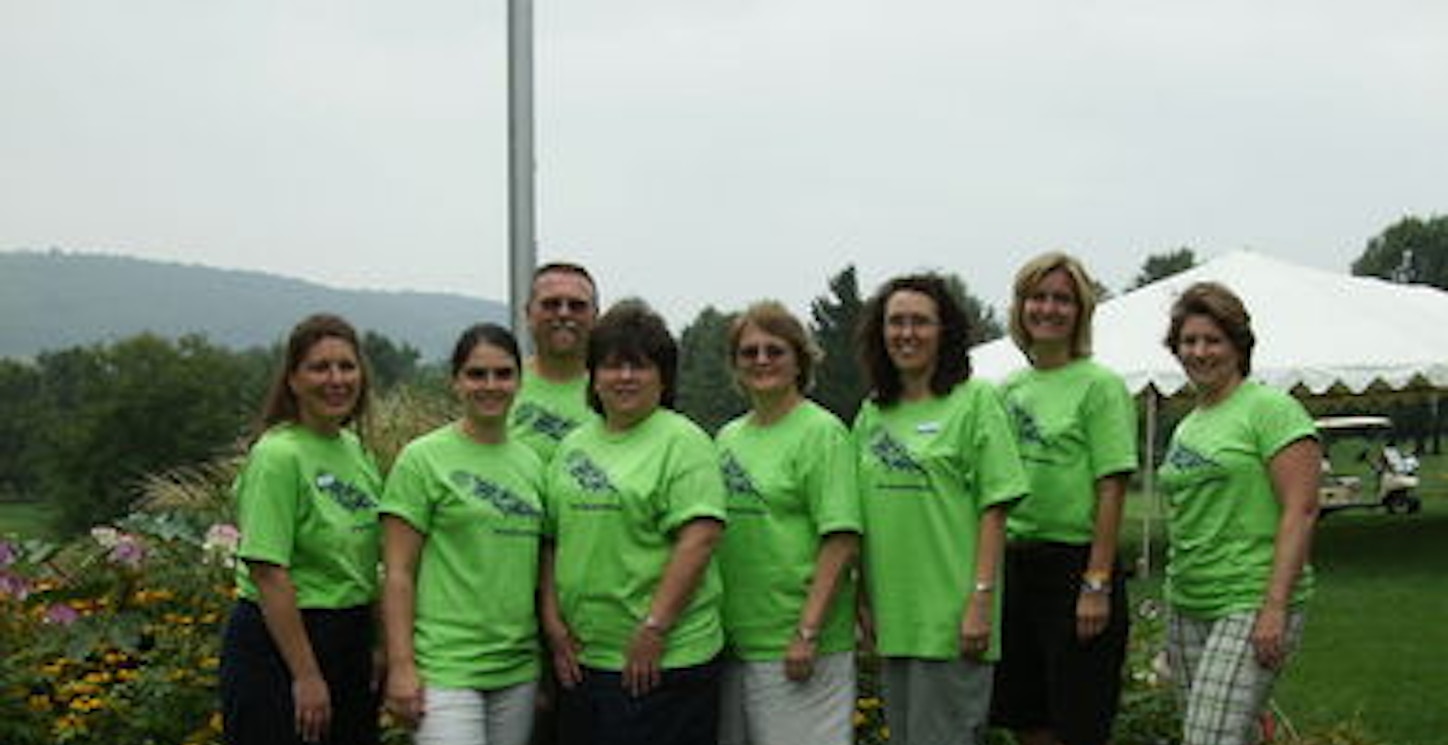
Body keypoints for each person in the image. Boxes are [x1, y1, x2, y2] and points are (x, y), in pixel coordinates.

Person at [540, 299, 728, 745]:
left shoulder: (683, 442)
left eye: (639, 366)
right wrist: (553, 625)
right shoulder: (573, 446)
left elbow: (699, 539)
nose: (624, 377)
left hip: (662, 661)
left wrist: (654, 628)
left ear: (663, 377)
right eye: (610, 366)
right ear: (593, 376)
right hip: (584, 660)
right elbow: (551, 539)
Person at [852, 274, 1028, 745]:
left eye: (920, 322)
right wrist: (863, 600)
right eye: (896, 322)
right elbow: (861, 516)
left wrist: (981, 600)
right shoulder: (872, 414)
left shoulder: (976, 401)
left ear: (944, 331)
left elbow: (996, 507)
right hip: (894, 618)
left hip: (951, 620)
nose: (906, 333)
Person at [1157, 282, 1320, 745]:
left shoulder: (1271, 409)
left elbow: (1301, 509)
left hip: (1250, 599)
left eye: (1213, 340)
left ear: (1238, 346)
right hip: (1188, 601)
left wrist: (1274, 607)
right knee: (1232, 734)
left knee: (1208, 737)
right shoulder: (1189, 425)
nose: (1199, 351)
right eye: (1189, 341)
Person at [990, 253, 1137, 745]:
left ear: (1080, 311)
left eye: (1062, 299)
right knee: (1029, 717)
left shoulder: (1100, 386)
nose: (1048, 308)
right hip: (1016, 565)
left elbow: (1112, 485)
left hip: (1076, 569)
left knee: (1079, 719)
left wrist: (1095, 582)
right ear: (1020, 307)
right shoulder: (1006, 390)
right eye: (1038, 297)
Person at [221, 313, 382, 745]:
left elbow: (369, 561)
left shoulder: (356, 451)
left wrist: (377, 643)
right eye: (320, 367)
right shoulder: (278, 456)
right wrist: (306, 676)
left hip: (347, 636)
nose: (336, 379)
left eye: (347, 367)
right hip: (282, 646)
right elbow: (268, 572)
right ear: (293, 379)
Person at [380, 323, 544, 745]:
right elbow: (397, 573)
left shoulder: (534, 466)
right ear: (455, 381)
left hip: (517, 668)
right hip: (444, 667)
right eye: (476, 374)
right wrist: (401, 665)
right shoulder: (422, 460)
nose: (490, 385)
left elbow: (542, 569)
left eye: (503, 374)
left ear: (519, 382)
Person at [714, 301, 862, 745]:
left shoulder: (822, 433)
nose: (761, 360)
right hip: (735, 643)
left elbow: (840, 539)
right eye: (749, 352)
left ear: (800, 359)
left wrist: (808, 631)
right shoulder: (727, 438)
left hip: (800, 646)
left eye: (775, 350)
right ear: (736, 365)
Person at [511, 262, 601, 462]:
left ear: (595, 316)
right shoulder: (499, 386)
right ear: (528, 313)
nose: (563, 313)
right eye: (551, 304)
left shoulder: (619, 390)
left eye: (576, 306)